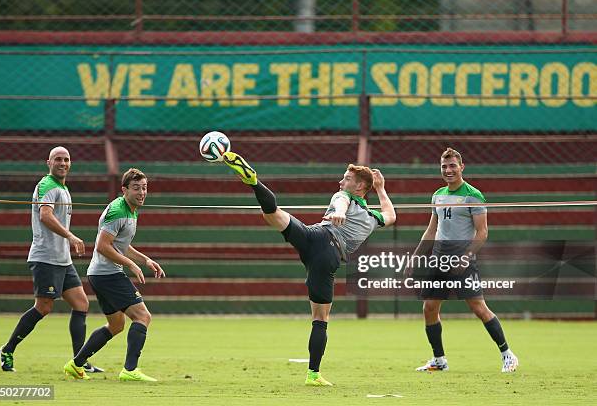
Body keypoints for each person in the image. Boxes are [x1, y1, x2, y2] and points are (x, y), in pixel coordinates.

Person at [222, 151, 396, 386]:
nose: (341, 182)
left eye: (346, 179)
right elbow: (383, 213)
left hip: (312, 236)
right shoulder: (363, 211)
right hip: (327, 251)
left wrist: (375, 189)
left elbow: (383, 213)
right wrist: (366, 198)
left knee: (272, 214)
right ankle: (313, 375)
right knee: (320, 319)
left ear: (359, 187)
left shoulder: (361, 208)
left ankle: (254, 182)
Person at [405, 148, 518, 373]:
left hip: (461, 260)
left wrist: (466, 257)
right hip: (439, 259)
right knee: (429, 308)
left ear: (461, 167)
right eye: (444, 166)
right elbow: (431, 230)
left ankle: (508, 354)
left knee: (478, 307)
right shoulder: (437, 195)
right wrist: (416, 257)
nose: (448, 170)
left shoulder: (473, 195)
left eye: (452, 166)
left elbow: (482, 232)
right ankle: (439, 360)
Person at [0, 146, 103, 373]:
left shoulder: (63, 188)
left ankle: (78, 361)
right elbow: (45, 216)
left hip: (62, 260)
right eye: (58, 159)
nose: (62, 163)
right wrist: (71, 235)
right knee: (43, 307)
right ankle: (7, 349)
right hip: (46, 257)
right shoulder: (47, 185)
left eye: (66, 159)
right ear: (49, 163)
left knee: (81, 304)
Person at [63, 168, 165, 381]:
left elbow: (121, 245)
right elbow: (102, 246)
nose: (141, 192)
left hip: (101, 274)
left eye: (144, 188)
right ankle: (130, 370)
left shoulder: (130, 210)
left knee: (116, 325)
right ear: (124, 190)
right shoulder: (119, 210)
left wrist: (144, 260)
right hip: (107, 274)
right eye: (136, 188)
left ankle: (75, 364)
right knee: (143, 316)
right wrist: (130, 265)